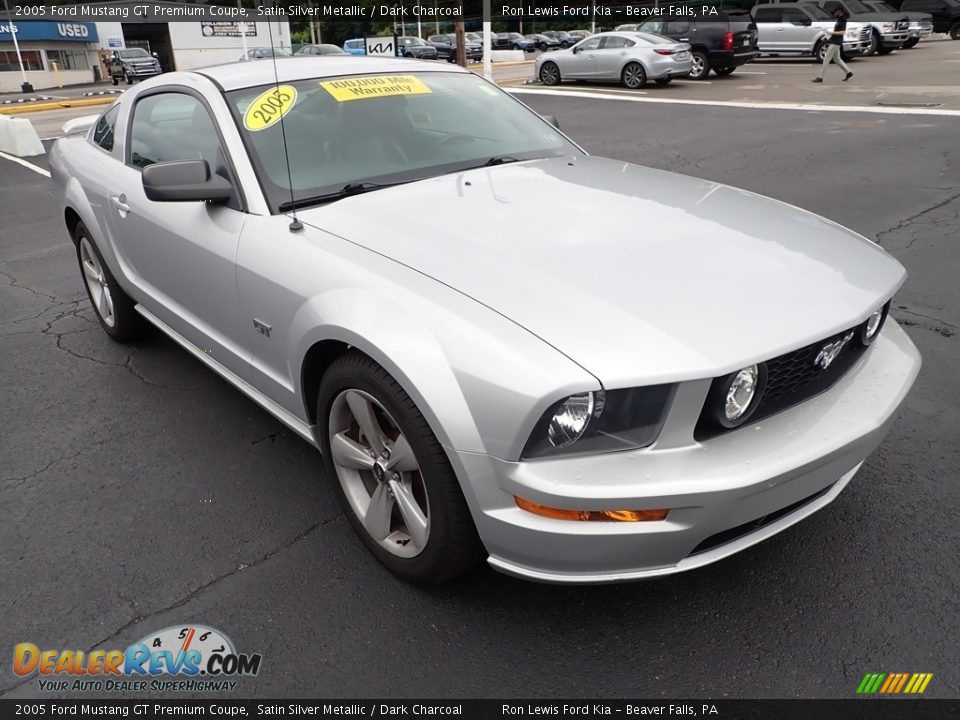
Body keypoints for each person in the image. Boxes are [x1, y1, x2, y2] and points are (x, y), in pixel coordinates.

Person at [812, 7, 854, 83]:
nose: (834, 14)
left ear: (839, 11)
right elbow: (837, 31)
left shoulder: (843, 20)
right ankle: (848, 72)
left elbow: (842, 32)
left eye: (835, 12)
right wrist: (827, 36)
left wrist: (831, 33)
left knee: (826, 58)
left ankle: (820, 77)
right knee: (837, 59)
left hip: (836, 42)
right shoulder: (839, 19)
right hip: (834, 40)